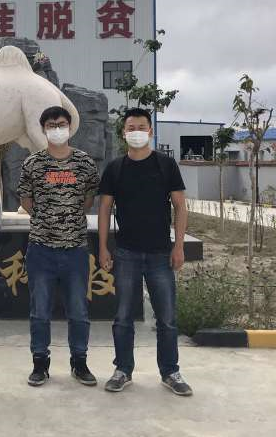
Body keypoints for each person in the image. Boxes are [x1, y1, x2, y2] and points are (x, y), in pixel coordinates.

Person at [97, 107, 192, 396]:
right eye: (131, 128)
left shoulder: (166, 165)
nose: (136, 132)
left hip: (160, 254)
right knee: (123, 317)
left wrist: (178, 246)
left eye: (141, 127)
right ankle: (122, 370)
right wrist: (103, 247)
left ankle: (170, 372)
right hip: (126, 252)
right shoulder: (115, 168)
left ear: (150, 131)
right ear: (123, 133)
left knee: (167, 318)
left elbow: (180, 206)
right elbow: (104, 209)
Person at [17, 106, 100, 387]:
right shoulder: (33, 163)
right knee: (40, 311)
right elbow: (26, 200)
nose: (57, 129)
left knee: (78, 311)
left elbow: (89, 199)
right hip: (41, 249)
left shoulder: (84, 162)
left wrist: (67, 218)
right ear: (43, 129)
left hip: (75, 249)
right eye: (51, 125)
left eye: (61, 124)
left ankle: (80, 362)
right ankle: (40, 363)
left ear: (70, 127)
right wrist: (47, 219)